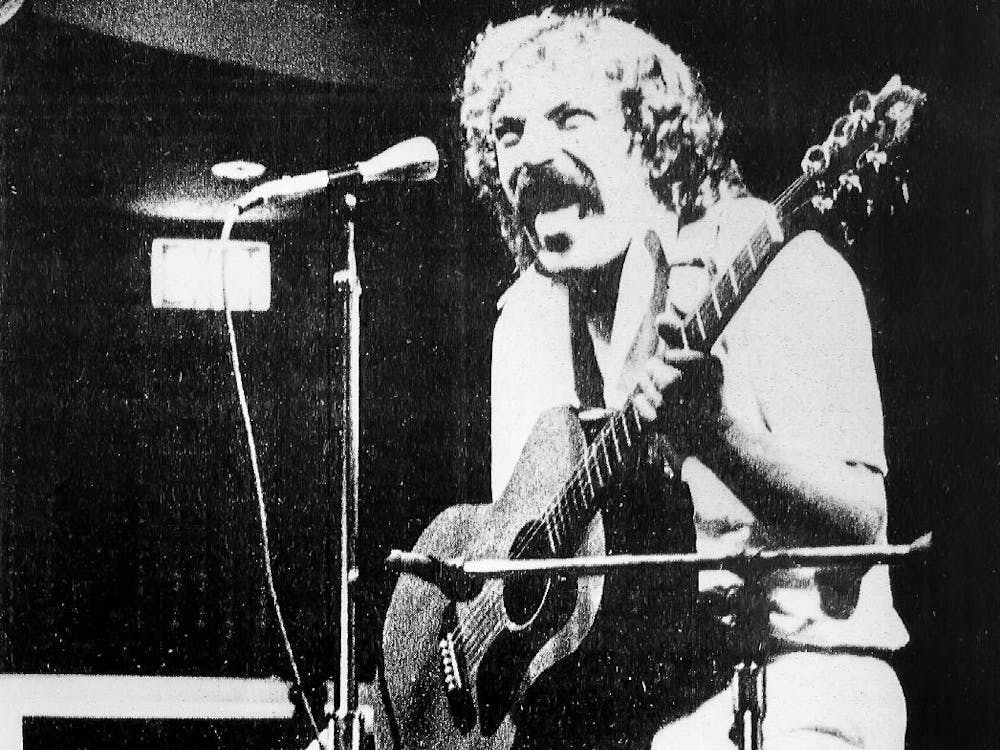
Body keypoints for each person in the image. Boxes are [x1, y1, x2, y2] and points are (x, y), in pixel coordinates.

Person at [457, 7, 909, 750]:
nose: (532, 155)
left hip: (799, 684)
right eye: (509, 133)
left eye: (570, 119)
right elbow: (518, 571)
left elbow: (862, 529)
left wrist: (718, 438)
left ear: (652, 142)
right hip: (619, 710)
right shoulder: (526, 325)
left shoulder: (783, 267)